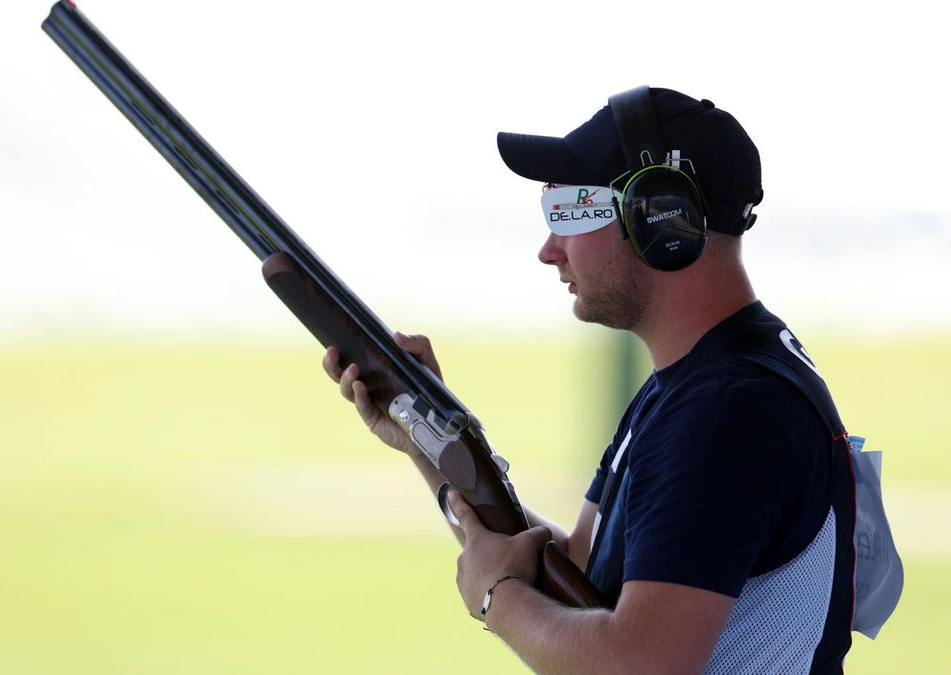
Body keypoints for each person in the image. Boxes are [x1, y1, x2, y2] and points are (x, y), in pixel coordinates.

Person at [322, 86, 857, 674]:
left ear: (659, 214)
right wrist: (425, 434)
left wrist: (496, 600)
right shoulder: (701, 385)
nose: (550, 250)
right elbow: (581, 568)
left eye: (569, 210)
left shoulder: (727, 412)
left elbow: (640, 662)